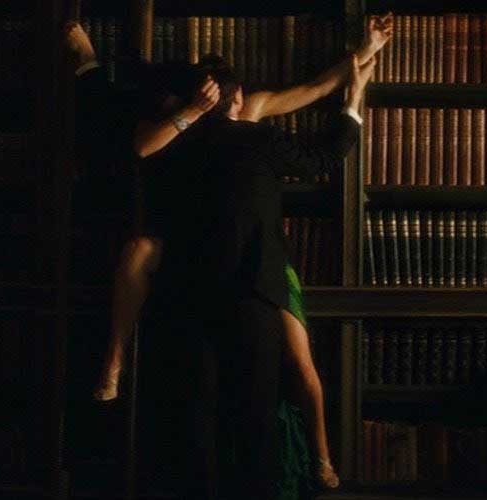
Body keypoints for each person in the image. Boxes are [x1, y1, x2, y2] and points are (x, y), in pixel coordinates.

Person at [66, 16, 393, 490]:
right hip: (228, 274)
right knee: (241, 405)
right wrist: (354, 100)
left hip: (221, 276)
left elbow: (316, 87)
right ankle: (117, 365)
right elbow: (323, 155)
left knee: (271, 380)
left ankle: (317, 458)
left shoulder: (236, 118)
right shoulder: (192, 128)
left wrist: (366, 52)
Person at [149, 51, 376, 499]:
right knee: (254, 410)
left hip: (188, 292)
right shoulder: (260, 138)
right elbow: (321, 161)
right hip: (255, 289)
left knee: (197, 412)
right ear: (237, 100)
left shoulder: (175, 141)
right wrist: (352, 105)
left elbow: (140, 149)